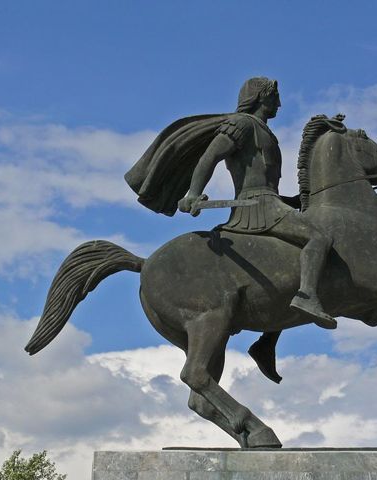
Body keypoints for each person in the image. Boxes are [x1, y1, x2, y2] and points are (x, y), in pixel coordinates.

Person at [126, 77, 335, 382]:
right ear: (262, 96)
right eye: (275, 96)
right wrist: (194, 192)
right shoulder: (243, 124)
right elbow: (211, 155)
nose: (279, 103)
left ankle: (266, 341)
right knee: (318, 237)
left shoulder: (263, 130)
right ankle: (306, 298)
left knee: (283, 268)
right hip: (257, 209)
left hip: (270, 203)